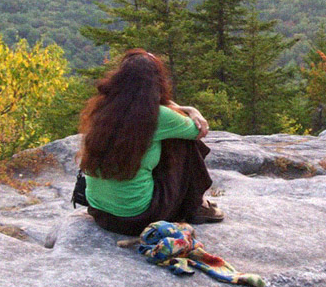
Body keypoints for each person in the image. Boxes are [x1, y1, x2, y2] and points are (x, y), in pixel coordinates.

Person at [78, 48, 224, 236]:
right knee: (183, 141)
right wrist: (192, 110)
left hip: (100, 213)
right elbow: (199, 131)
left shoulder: (102, 108)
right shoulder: (157, 116)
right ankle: (196, 206)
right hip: (138, 218)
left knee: (160, 138)